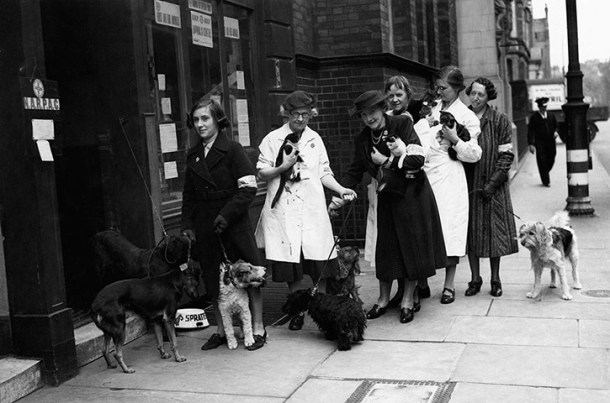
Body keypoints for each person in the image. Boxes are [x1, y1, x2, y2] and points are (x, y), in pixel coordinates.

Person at [331, 90, 447, 324]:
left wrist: (386, 161)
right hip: (387, 194)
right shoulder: (362, 139)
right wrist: (340, 196)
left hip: (412, 194)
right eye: (364, 114)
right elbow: (354, 170)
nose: (369, 118)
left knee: (411, 246)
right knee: (386, 249)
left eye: (372, 111)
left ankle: (406, 300)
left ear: (382, 108)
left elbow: (417, 160)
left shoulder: (402, 123)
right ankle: (383, 299)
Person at [255, 90, 356, 331]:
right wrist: (284, 166)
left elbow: (323, 172)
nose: (301, 119)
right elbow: (262, 171)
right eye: (296, 114)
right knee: (291, 264)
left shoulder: (315, 139)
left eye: (306, 115)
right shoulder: (272, 139)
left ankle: (317, 306)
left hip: (311, 207)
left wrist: (341, 189)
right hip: (284, 210)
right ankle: (299, 309)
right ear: (287, 114)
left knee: (316, 261)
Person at [180, 98, 266, 351]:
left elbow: (249, 187)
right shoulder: (193, 155)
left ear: (217, 119)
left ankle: (258, 327)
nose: (200, 124)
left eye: (205, 118)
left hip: (233, 222)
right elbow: (188, 195)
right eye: (196, 120)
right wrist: (187, 224)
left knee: (249, 276)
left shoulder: (233, 149)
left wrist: (227, 214)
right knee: (212, 277)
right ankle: (221, 329)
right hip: (205, 224)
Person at [410, 68, 482, 304]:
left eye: (444, 88)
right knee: (423, 228)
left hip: (450, 178)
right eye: (438, 88)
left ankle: (449, 285)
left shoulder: (468, 117)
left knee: (450, 229)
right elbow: (417, 137)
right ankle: (421, 282)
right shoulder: (431, 107)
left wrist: (455, 139)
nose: (439, 92)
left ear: (458, 88)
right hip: (426, 173)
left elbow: (474, 154)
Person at [465, 77, 519, 297]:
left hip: (493, 185)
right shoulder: (462, 119)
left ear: (488, 97)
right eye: (473, 93)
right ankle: (474, 278)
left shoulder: (499, 120)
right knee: (472, 232)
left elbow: (507, 155)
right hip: (469, 185)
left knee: (494, 232)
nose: (476, 98)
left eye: (481, 94)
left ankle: (495, 279)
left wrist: (493, 182)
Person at [528, 97, 557, 187]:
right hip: (540, 142)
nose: (544, 109)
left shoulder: (551, 116)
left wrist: (556, 131)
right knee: (542, 160)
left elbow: (556, 125)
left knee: (551, 157)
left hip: (551, 141)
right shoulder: (534, 117)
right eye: (542, 107)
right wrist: (531, 144)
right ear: (539, 107)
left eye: (545, 107)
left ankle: (545, 171)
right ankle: (546, 181)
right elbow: (530, 131)